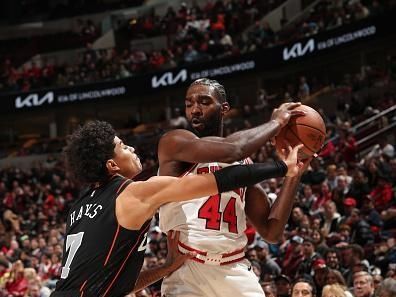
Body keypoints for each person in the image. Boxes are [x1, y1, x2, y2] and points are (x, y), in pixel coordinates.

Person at [51, 120, 303, 297]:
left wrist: (165, 268)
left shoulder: (78, 208)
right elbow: (220, 180)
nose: (131, 148)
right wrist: (282, 168)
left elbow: (113, 284)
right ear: (112, 165)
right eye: (123, 147)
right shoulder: (134, 192)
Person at [158, 78, 311, 296]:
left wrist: (294, 174)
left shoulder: (245, 168)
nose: (195, 109)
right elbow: (233, 149)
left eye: (204, 102)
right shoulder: (174, 143)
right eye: (189, 103)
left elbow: (271, 231)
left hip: (234, 270)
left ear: (224, 109)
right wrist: (277, 122)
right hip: (187, 270)